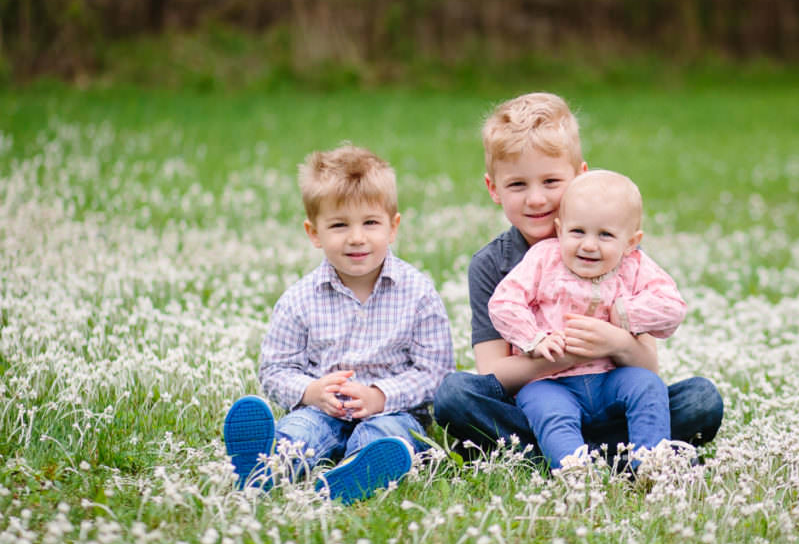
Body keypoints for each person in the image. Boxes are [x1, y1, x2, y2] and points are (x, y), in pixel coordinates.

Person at [433, 92, 723, 466]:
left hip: (612, 398)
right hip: (536, 402)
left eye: (551, 181)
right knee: (455, 396)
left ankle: (568, 453)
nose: (536, 199)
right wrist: (557, 354)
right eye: (518, 185)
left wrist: (614, 341)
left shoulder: (615, 251)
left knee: (701, 400)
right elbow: (493, 375)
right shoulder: (492, 264)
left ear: (579, 177)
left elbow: (647, 366)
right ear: (494, 189)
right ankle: (598, 451)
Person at [223, 144, 455, 504]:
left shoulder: (418, 293)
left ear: (393, 227)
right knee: (299, 432)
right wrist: (312, 392)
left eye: (370, 223)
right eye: (339, 225)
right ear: (314, 232)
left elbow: (436, 372)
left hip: (392, 412)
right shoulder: (299, 299)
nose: (357, 237)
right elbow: (275, 369)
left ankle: (358, 470)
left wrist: (380, 397)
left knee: (384, 436)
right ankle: (264, 467)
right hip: (322, 411)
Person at [489, 169, 687, 469]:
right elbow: (505, 301)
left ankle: (650, 463)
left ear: (631, 242)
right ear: (559, 229)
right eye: (577, 232)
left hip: (611, 379)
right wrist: (534, 338)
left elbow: (672, 307)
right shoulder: (544, 258)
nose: (589, 245)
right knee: (550, 412)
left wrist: (624, 315)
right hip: (550, 382)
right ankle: (575, 469)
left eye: (605, 235)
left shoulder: (634, 265)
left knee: (649, 386)